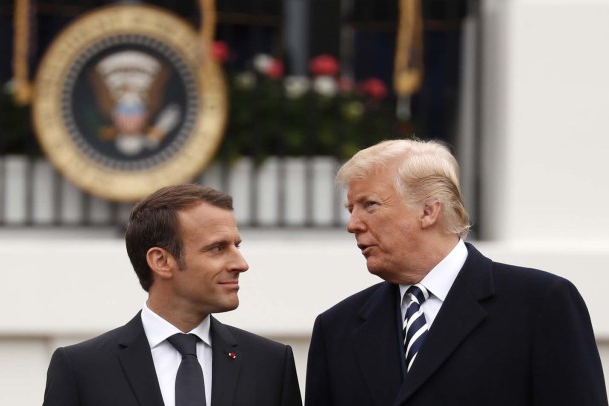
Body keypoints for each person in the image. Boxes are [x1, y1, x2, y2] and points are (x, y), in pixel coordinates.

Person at [305, 139, 608, 406]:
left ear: (428, 210)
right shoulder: (336, 330)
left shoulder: (541, 304)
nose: (353, 224)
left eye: (369, 205)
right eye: (350, 209)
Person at [43, 184, 302, 406]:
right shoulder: (81, 368)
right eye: (217, 248)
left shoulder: (271, 364)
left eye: (236, 245)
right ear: (161, 261)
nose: (241, 263)